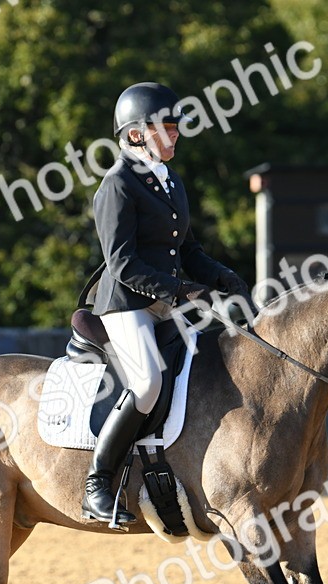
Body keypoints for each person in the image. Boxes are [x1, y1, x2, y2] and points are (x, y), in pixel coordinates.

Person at [81, 81, 249, 525]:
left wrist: (220, 275)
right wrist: (184, 292)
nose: (176, 136)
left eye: (176, 128)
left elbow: (187, 251)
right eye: (167, 128)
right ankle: (97, 483)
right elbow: (122, 264)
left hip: (165, 302)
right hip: (126, 305)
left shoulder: (170, 181)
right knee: (149, 383)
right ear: (136, 134)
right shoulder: (116, 186)